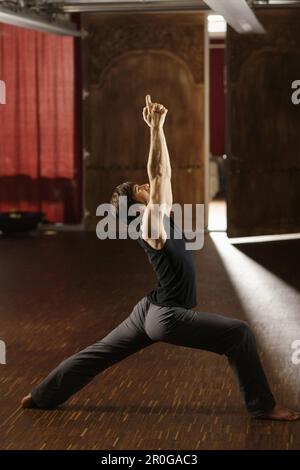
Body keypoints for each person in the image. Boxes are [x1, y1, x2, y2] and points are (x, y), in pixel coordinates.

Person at [22, 95, 299, 421]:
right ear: (137, 206)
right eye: (136, 189)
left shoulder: (157, 214)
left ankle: (40, 396)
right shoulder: (150, 224)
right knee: (239, 334)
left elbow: (162, 176)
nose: (143, 185)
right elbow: (156, 176)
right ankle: (263, 406)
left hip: (149, 309)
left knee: (98, 353)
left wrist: (160, 129)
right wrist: (153, 128)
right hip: (167, 317)